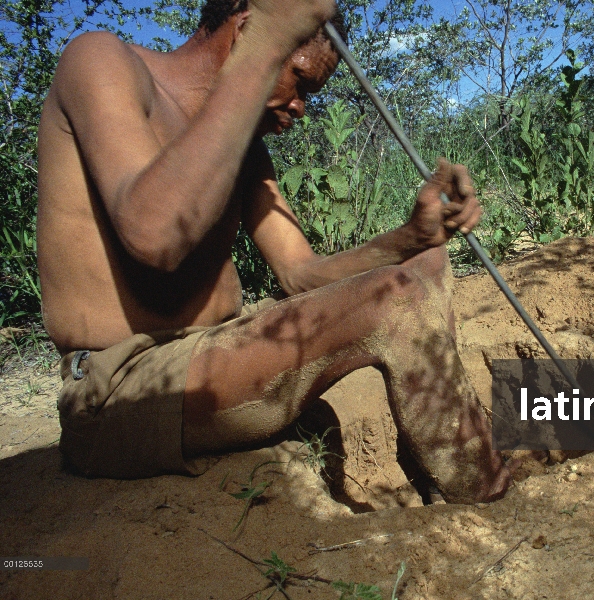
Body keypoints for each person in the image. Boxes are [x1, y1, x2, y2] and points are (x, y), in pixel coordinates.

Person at [36, 0, 513, 503]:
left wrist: (412, 238)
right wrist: (265, 44)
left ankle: (440, 468)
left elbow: (300, 274)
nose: (301, 110)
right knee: (397, 297)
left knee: (425, 265)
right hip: (122, 386)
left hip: (211, 349)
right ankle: (490, 500)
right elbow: (155, 238)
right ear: (245, 28)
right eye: (300, 81)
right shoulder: (102, 61)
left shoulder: (243, 146)